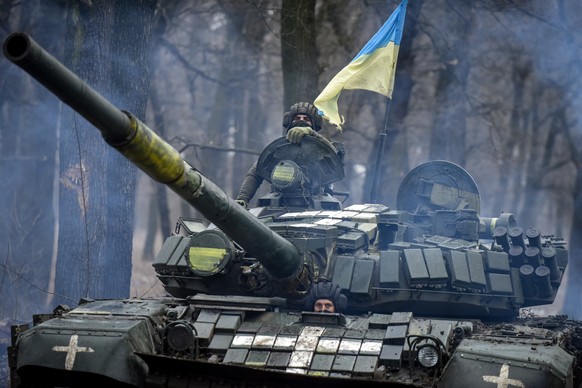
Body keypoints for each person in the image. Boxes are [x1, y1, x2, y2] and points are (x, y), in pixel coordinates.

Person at [236, 101, 342, 208]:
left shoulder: (322, 150)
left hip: (315, 203)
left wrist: (312, 134)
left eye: (306, 119)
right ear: (290, 122)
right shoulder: (278, 150)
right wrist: (242, 199)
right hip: (279, 203)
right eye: (297, 118)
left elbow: (334, 157)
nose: (301, 121)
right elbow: (255, 173)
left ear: (313, 125)